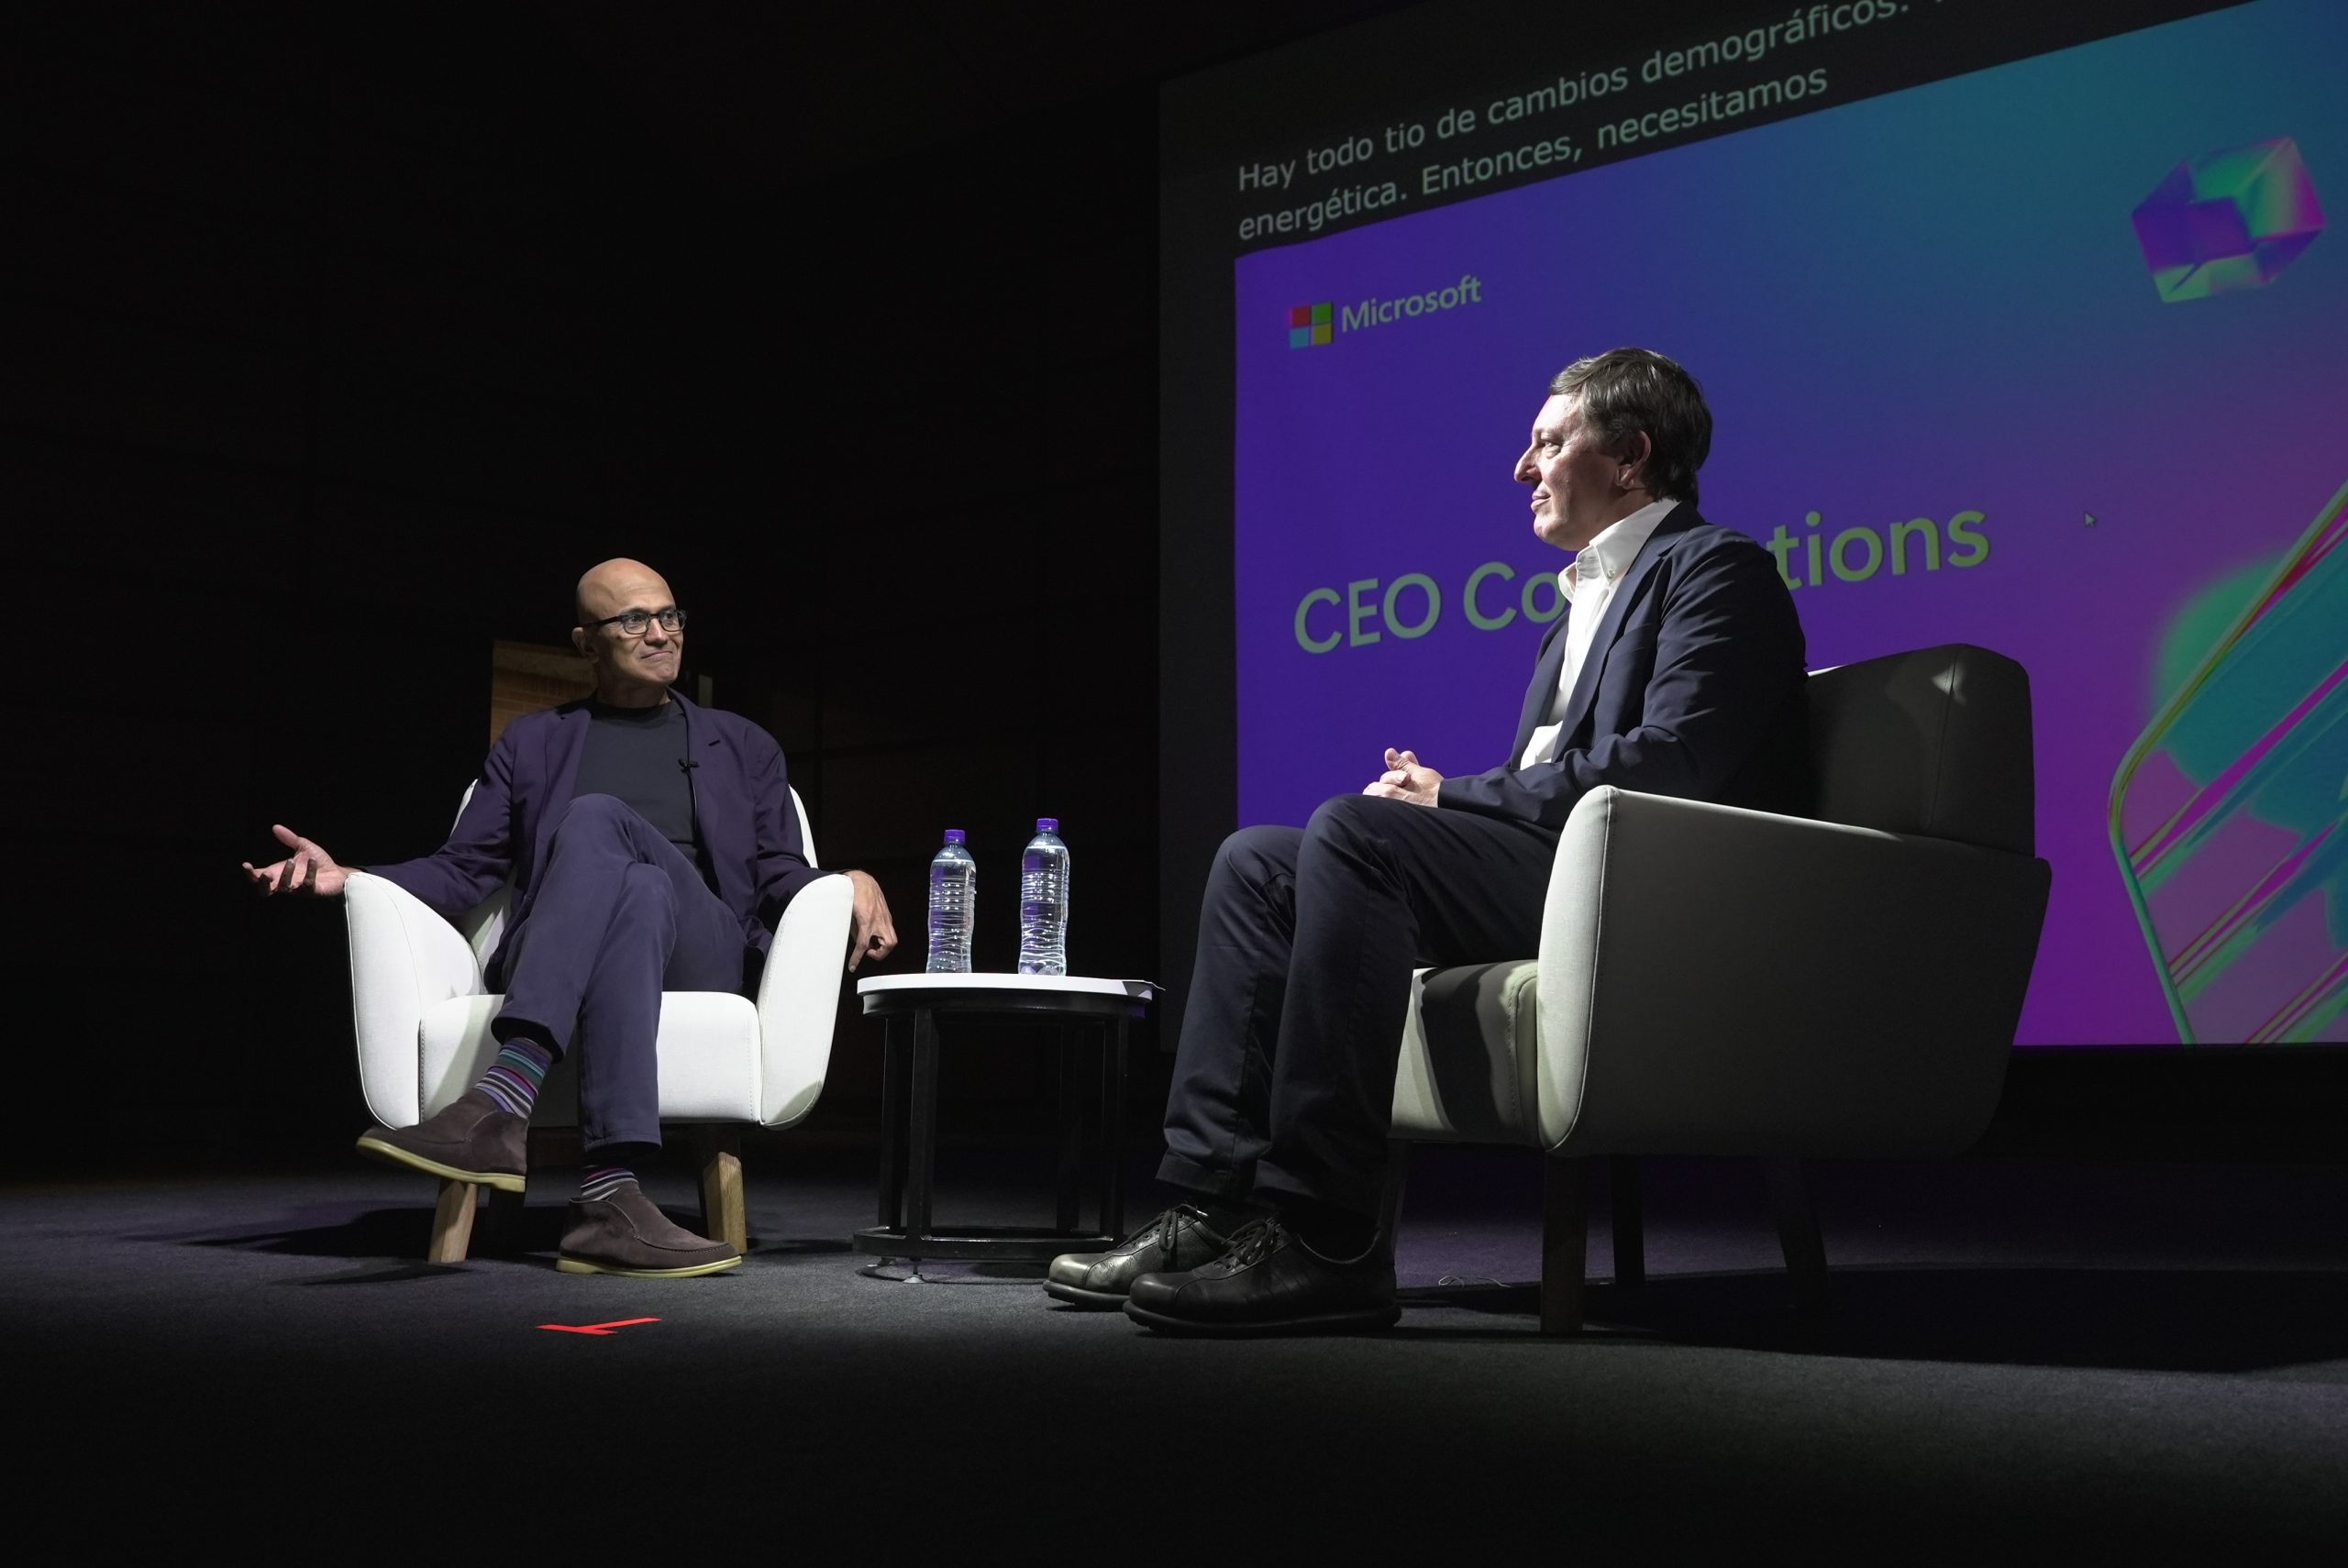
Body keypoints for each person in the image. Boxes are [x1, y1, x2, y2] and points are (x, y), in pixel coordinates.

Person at [1048, 348, 1810, 1332]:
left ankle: (1329, 1239)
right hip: (1564, 871)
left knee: (1358, 834)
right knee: (1256, 863)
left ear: (1629, 457)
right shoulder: (1573, 613)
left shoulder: (1714, 570)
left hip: (1647, 887)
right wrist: (1444, 803)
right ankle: (1209, 1207)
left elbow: (1671, 762)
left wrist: (1449, 796)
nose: (1520, 468)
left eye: (1547, 442)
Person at [244, 558, 897, 1278]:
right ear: (586, 642)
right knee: (639, 892)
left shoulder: (742, 746)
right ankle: (607, 1200)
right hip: (571, 940)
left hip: (701, 951)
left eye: (671, 616)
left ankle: (501, 1097)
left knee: (601, 824)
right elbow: (467, 869)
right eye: (634, 620)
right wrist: (355, 878)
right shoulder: (534, 741)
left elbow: (776, 872)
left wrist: (846, 878)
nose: (661, 634)